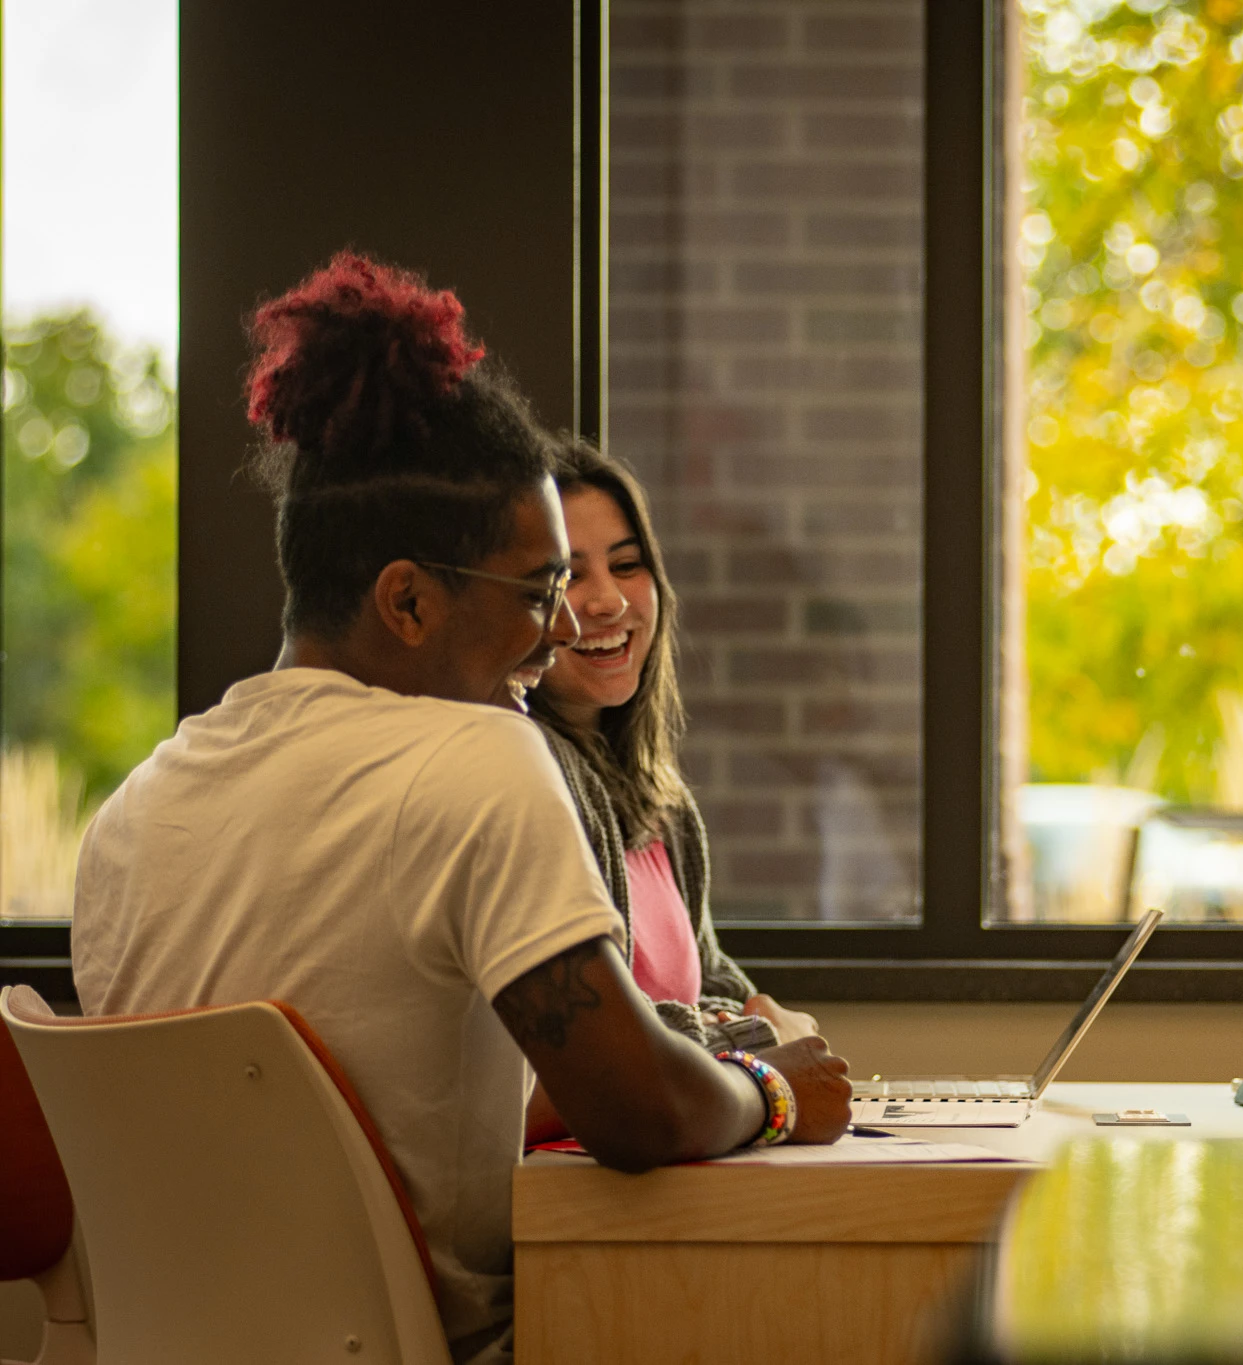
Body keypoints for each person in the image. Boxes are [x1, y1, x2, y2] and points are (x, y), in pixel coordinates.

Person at [68, 252, 851, 1363]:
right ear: (407, 599)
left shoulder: (133, 814)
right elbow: (642, 1115)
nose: (563, 633)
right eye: (537, 593)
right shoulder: (480, 760)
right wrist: (773, 1093)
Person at [524, 437, 816, 1052]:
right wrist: (760, 1037)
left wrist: (748, 1021)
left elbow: (713, 991)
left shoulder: (664, 804)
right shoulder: (530, 773)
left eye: (627, 565)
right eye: (568, 576)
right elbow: (605, 1043)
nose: (607, 601)